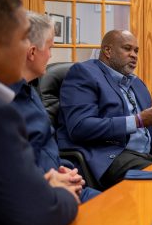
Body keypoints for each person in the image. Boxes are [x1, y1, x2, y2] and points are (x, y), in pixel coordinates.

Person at [0, 0, 78, 225]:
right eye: (23, 38)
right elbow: (43, 213)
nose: (28, 49)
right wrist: (63, 193)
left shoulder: (19, 93)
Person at [57, 29, 152, 189]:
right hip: (109, 156)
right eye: (127, 48)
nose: (134, 55)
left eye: (136, 51)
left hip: (143, 155)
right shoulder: (84, 73)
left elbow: (147, 127)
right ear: (108, 51)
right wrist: (138, 120)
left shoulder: (136, 83)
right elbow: (79, 127)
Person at [10, 11, 100, 202]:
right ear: (32, 52)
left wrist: (65, 169)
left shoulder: (31, 91)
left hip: (64, 185)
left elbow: (47, 149)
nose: (51, 55)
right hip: (42, 196)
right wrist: (51, 182)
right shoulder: (2, 103)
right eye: (50, 48)